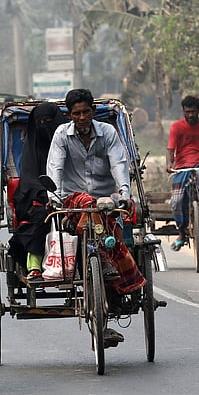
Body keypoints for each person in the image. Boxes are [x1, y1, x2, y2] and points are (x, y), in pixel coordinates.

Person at [45, 88, 146, 346]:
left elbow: (118, 165)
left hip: (107, 202)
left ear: (93, 111)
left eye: (86, 112)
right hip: (75, 201)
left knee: (117, 232)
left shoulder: (108, 133)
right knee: (88, 209)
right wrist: (54, 196)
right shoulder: (61, 135)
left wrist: (124, 193)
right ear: (70, 115)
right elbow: (55, 167)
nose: (81, 117)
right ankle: (104, 263)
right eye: (76, 113)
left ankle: (110, 297)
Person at [9, 101, 67, 279]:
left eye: (48, 121)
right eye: (40, 123)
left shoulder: (69, 142)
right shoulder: (31, 148)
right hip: (38, 196)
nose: (44, 127)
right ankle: (35, 265)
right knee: (42, 215)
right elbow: (29, 178)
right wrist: (46, 194)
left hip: (70, 193)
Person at [165, 95, 199, 251]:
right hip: (182, 166)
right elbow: (170, 149)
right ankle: (181, 232)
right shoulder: (176, 127)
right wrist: (169, 163)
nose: (190, 115)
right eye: (187, 112)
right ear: (183, 111)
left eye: (193, 112)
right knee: (177, 200)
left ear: (198, 110)